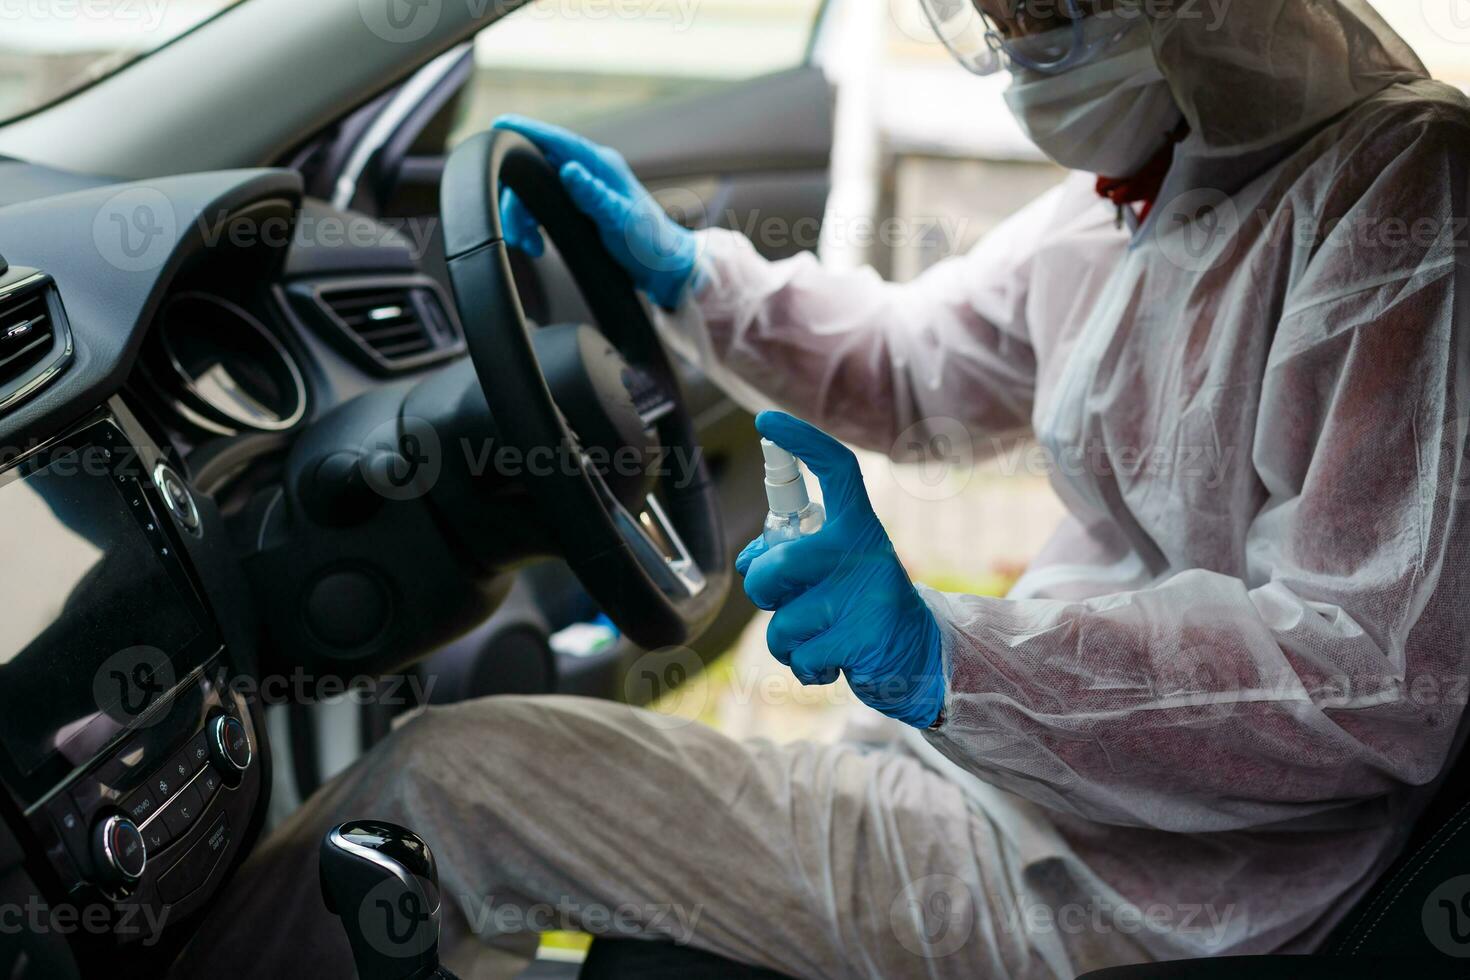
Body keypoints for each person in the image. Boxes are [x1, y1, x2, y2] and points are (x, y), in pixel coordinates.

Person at [179, 1, 1470, 977]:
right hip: (1042, 798)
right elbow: (915, 369)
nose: (1015, 41)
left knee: (447, 783)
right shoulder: (1148, 198)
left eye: (1040, 10)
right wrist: (692, 277)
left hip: (1145, 889)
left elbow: (1371, 677)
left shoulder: (1399, 203)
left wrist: (954, 657)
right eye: (994, 16)